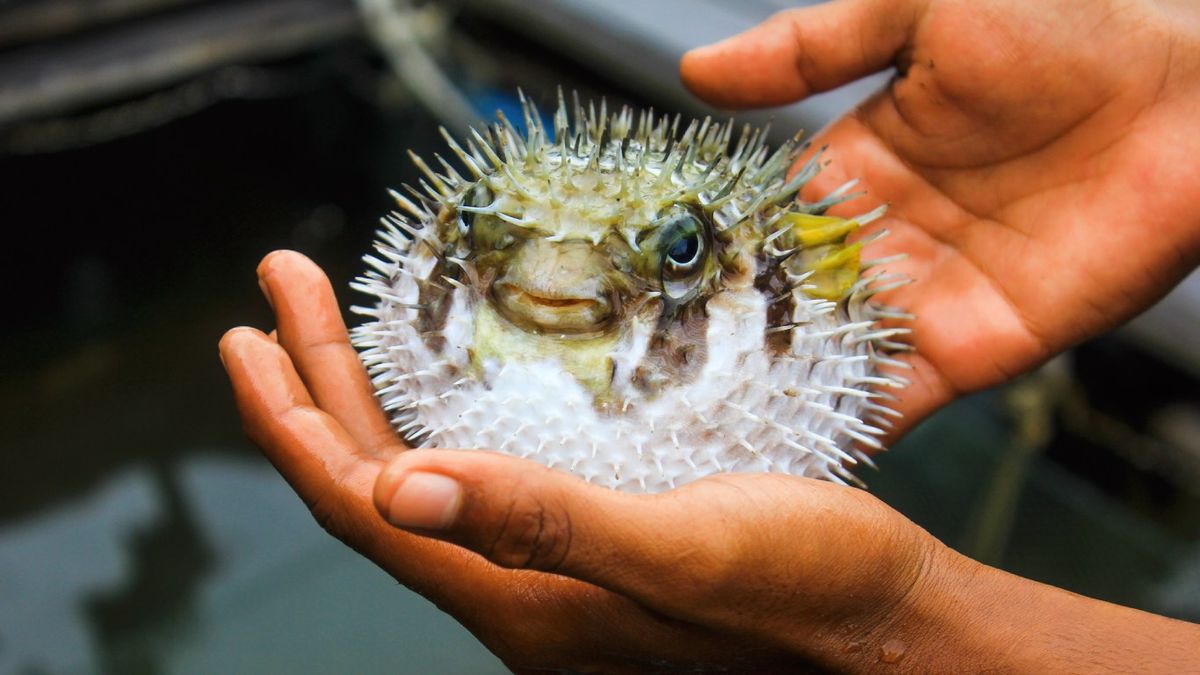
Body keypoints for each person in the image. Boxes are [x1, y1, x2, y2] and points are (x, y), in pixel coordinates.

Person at [220, 0, 1200, 671]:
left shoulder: (809, 295)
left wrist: (897, 624)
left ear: (774, 281)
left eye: (679, 254)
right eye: (487, 235)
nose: (555, 284)